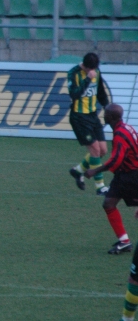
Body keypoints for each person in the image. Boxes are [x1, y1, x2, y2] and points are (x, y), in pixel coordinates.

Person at [84, 104, 138, 255]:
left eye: (106, 114)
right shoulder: (126, 127)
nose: (104, 116)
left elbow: (115, 161)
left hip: (131, 175)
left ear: (112, 117)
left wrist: (94, 170)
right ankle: (124, 242)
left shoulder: (120, 134)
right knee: (108, 204)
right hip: (124, 174)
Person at [67, 52, 110, 195]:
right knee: (95, 150)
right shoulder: (73, 73)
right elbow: (74, 94)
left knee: (103, 150)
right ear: (85, 66)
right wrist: (87, 80)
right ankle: (100, 186)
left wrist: (107, 108)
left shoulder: (96, 72)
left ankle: (77, 171)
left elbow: (101, 92)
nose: (93, 71)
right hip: (79, 117)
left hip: (92, 116)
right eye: (91, 69)